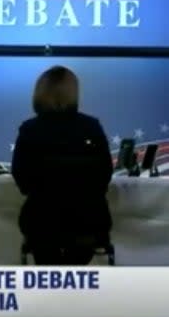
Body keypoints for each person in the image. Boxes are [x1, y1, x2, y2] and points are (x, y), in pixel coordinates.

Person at [11, 66, 113, 265]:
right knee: (75, 269)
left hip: (41, 224)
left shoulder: (30, 130)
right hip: (89, 223)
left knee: (48, 269)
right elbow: (104, 175)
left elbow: (21, 178)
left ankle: (53, 293)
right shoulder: (91, 127)